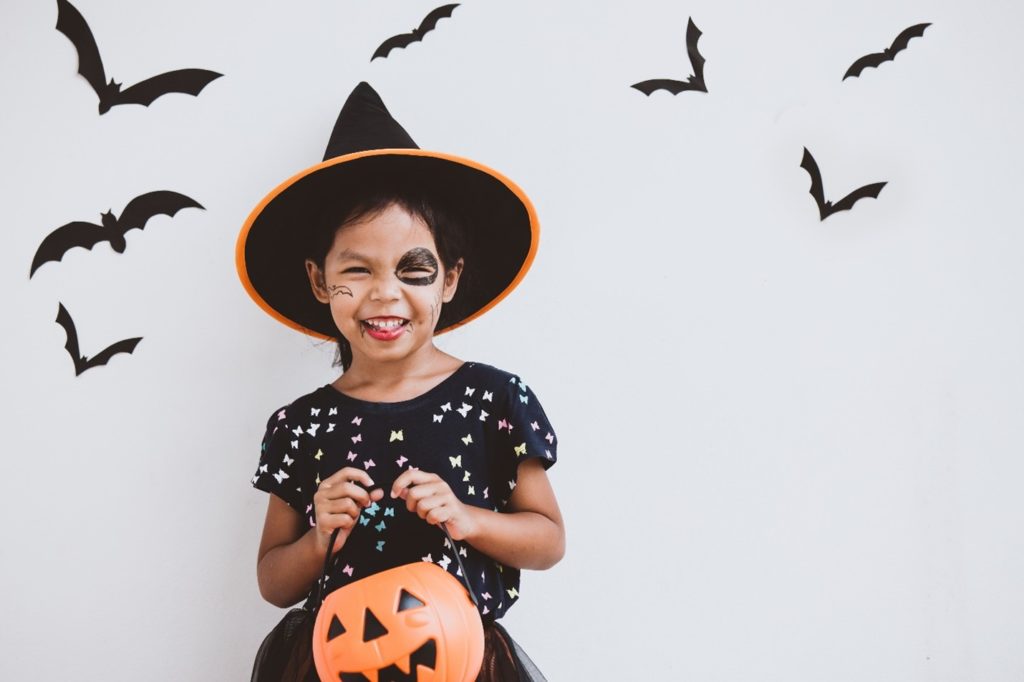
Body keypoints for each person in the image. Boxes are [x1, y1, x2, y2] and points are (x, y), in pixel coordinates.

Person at [238, 82, 565, 681]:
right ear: (319, 282)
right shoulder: (300, 424)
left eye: (413, 270)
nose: (385, 293)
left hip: (460, 661)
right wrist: (318, 535)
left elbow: (547, 540)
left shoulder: (494, 398)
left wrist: (469, 519)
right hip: (338, 661)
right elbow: (271, 582)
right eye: (356, 270)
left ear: (449, 279)